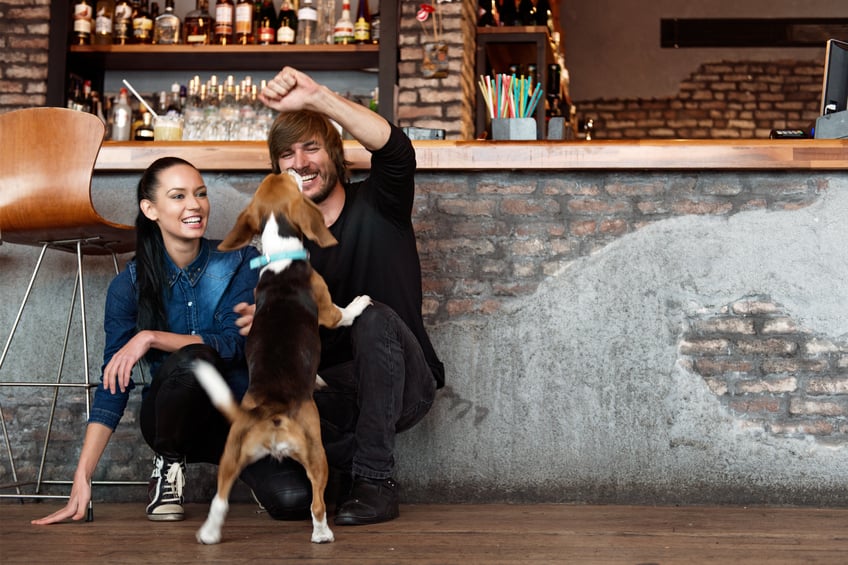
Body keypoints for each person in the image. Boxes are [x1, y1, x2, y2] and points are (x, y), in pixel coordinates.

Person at [33, 157, 311, 525]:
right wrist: (83, 475)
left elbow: (230, 343)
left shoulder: (241, 261)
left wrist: (150, 337)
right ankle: (168, 462)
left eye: (200, 194)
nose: (194, 205)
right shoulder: (128, 286)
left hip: (238, 417)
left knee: (293, 501)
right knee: (194, 359)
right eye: (178, 196)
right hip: (172, 418)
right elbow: (113, 384)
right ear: (150, 209)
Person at [234, 66, 445, 526]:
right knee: (284, 491)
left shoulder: (380, 202)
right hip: (330, 396)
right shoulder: (284, 244)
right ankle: (338, 470)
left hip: (403, 382)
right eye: (286, 156)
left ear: (335, 154)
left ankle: (376, 480)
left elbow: (395, 147)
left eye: (311, 148)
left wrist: (318, 97)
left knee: (371, 315)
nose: (300, 163)